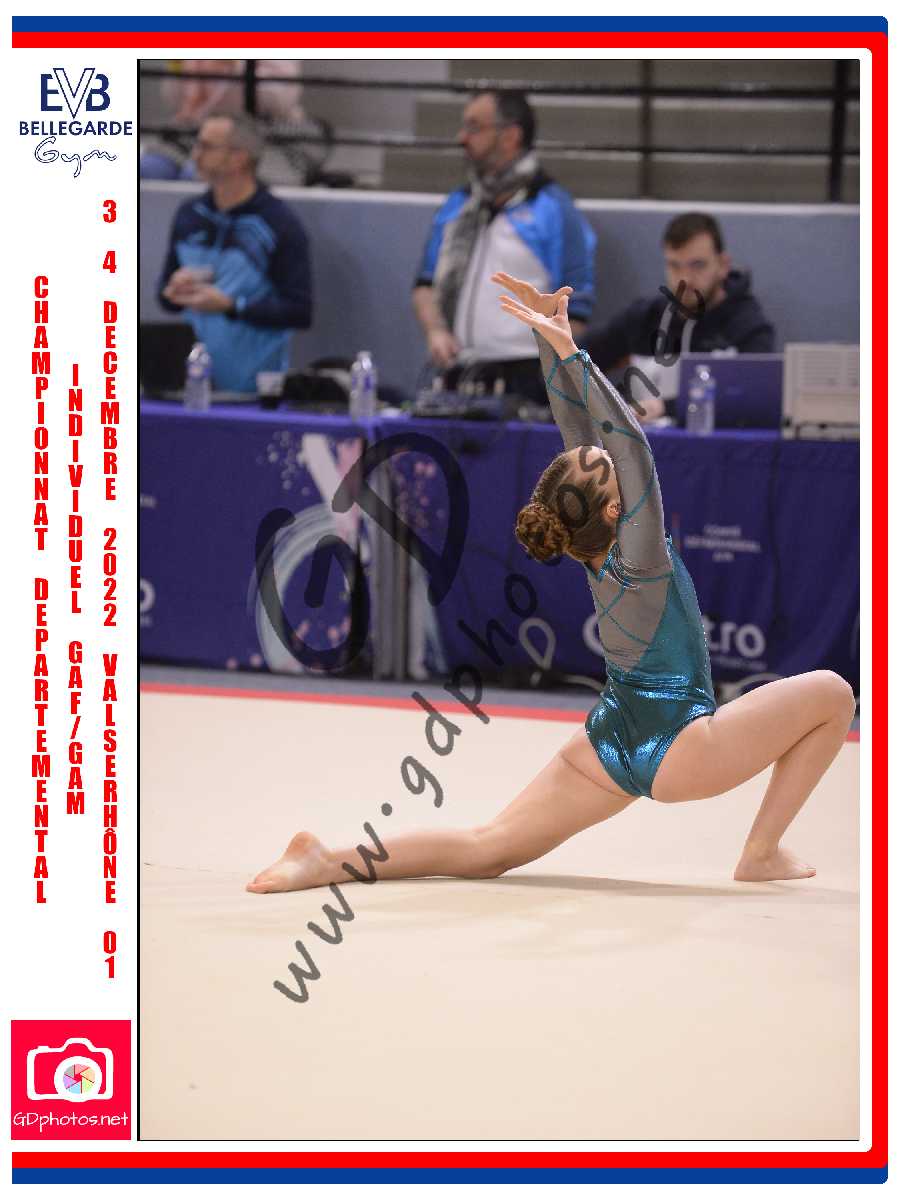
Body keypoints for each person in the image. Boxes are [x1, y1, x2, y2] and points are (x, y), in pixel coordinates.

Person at [246, 272, 854, 895]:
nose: (600, 452)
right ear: (616, 508)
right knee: (834, 695)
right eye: (602, 467)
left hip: (612, 735)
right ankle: (761, 850)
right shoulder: (642, 555)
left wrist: (549, 337)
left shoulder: (593, 543)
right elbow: (632, 448)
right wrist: (573, 354)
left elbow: (578, 432)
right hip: (682, 743)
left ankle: (326, 860)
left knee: (488, 848)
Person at [412, 89, 596, 406]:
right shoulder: (459, 205)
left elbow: (577, 304)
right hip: (458, 372)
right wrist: (435, 331)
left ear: (510, 136)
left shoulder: (553, 208)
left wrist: (551, 374)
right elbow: (425, 283)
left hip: (526, 378)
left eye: (474, 127)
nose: (461, 138)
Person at [157, 112, 313, 393]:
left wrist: (231, 305)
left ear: (239, 158)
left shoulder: (278, 224)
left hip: (254, 386)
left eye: (206, 146)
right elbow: (165, 299)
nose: (195, 155)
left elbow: (299, 311)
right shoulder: (189, 214)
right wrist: (175, 290)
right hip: (192, 384)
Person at [582, 211, 775, 421]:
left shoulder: (748, 326)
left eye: (698, 265)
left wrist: (666, 407)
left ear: (723, 265)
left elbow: (756, 398)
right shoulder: (643, 318)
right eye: (674, 265)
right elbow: (576, 361)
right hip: (643, 440)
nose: (685, 279)